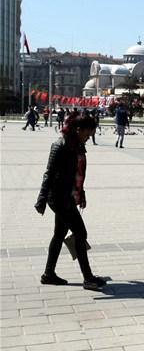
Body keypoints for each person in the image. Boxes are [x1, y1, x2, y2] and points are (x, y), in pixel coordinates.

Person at [34, 114, 106, 291]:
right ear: (78, 130)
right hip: (59, 198)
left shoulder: (78, 145)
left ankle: (48, 274)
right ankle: (88, 278)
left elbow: (78, 174)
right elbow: (49, 173)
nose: (89, 138)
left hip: (70, 197)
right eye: (88, 134)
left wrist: (81, 194)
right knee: (81, 234)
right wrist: (41, 199)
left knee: (59, 234)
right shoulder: (60, 145)